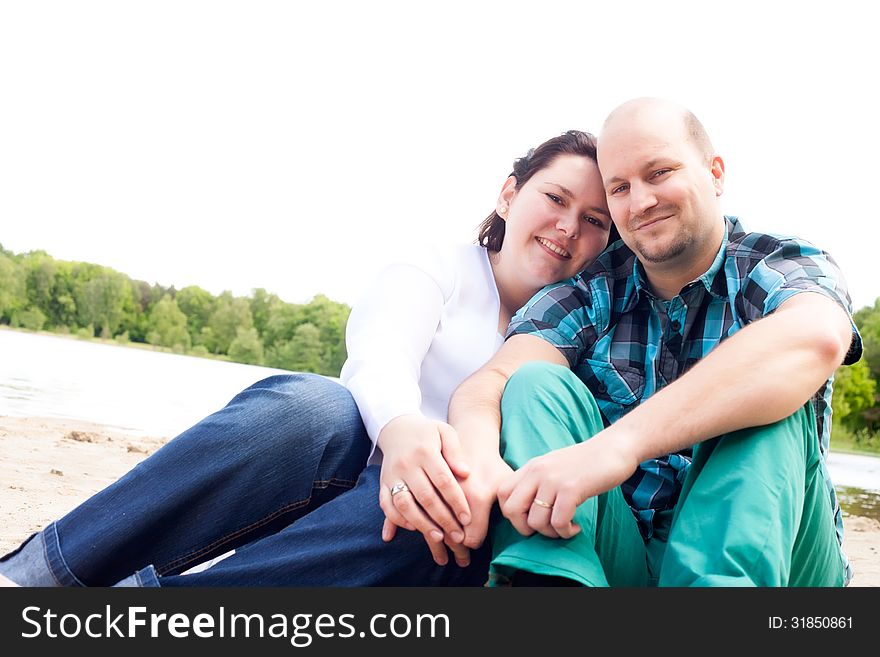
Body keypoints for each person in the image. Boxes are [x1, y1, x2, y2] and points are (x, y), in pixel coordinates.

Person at [0, 130, 613, 587]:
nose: (567, 227)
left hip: (406, 532)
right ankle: (43, 573)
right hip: (335, 467)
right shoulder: (438, 266)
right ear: (509, 195)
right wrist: (402, 434)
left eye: (593, 221)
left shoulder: (583, 334)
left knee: (435, 516)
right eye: (554, 198)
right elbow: (378, 356)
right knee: (314, 406)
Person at [447, 98, 862, 587]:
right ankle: (552, 586)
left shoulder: (773, 263)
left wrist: (617, 447)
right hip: (625, 555)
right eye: (620, 188)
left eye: (659, 172)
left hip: (784, 560)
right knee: (536, 383)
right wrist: (480, 461)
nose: (640, 202)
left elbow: (815, 338)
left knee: (772, 394)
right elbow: (491, 382)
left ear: (715, 173)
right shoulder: (592, 289)